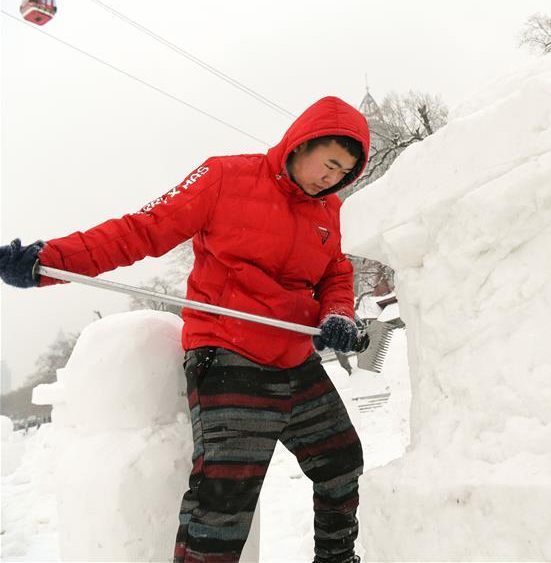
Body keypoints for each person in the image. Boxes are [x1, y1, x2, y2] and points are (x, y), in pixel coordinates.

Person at [0, 96, 370, 563]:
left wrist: (337, 314)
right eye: (330, 163)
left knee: (341, 464)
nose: (331, 179)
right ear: (303, 142)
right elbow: (142, 229)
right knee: (225, 497)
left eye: (343, 174)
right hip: (229, 351)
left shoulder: (328, 211)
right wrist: (48, 260)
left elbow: (336, 272)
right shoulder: (224, 178)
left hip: (295, 356)